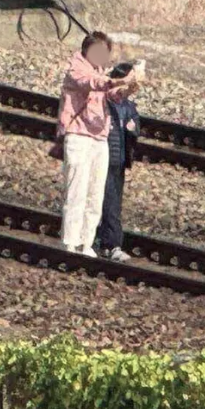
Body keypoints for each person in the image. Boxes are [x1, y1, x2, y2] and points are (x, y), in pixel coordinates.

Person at [56, 31, 136, 256]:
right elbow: (90, 83)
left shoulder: (102, 73)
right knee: (76, 191)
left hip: (99, 137)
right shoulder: (76, 68)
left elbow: (113, 95)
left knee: (95, 193)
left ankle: (86, 243)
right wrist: (115, 80)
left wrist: (129, 87)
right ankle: (70, 242)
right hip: (78, 135)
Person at [94, 63, 141, 262]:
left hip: (119, 160)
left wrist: (133, 128)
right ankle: (111, 244)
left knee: (113, 203)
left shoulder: (128, 106)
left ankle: (106, 241)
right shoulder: (107, 101)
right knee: (106, 203)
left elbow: (136, 126)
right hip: (106, 157)